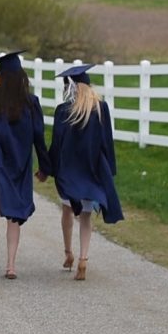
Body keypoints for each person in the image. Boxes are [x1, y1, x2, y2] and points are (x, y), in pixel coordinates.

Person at [0, 51, 51, 280]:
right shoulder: (31, 104)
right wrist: (45, 167)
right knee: (14, 213)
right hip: (21, 163)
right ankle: (11, 265)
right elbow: (39, 138)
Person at [40, 64, 123, 281]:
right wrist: (109, 171)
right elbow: (107, 141)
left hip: (69, 170)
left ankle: (68, 252)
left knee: (67, 210)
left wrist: (46, 169)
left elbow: (56, 143)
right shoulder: (100, 108)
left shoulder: (63, 110)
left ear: (71, 87)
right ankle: (83, 259)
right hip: (92, 168)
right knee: (86, 216)